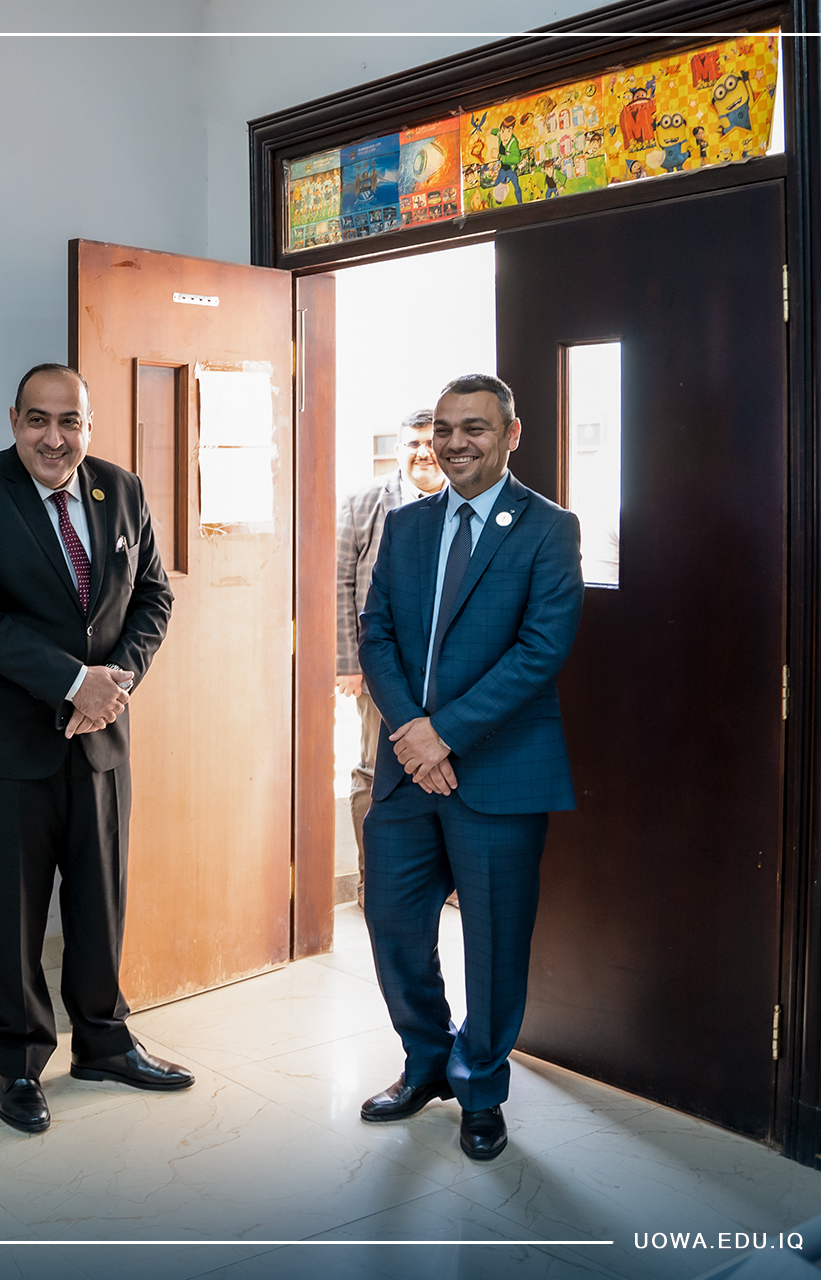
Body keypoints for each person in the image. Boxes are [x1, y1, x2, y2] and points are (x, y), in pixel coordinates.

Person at [0, 362, 189, 1134]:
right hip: (1, 741)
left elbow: (153, 595)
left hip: (99, 737)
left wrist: (115, 684)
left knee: (100, 898)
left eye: (69, 421)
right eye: (38, 420)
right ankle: (18, 1063)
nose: (54, 437)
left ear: (89, 425)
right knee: (10, 910)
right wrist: (74, 682)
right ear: (14, 421)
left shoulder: (121, 489)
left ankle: (104, 1043)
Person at [355, 373, 583, 1162]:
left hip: (500, 773)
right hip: (405, 775)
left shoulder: (548, 528)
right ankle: (426, 1061)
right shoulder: (408, 524)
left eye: (475, 429)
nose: (456, 444)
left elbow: (541, 650)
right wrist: (411, 733)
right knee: (392, 924)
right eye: (445, 429)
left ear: (511, 435)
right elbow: (375, 632)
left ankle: (481, 1087)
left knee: (493, 943)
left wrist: (443, 735)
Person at [335, 409, 446, 909]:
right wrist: (347, 662)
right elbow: (339, 580)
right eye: (413, 443)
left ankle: (442, 881)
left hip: (447, 669)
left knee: (445, 759)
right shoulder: (363, 502)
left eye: (431, 441)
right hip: (380, 666)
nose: (424, 452)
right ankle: (371, 880)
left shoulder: (463, 501)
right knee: (373, 766)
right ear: (399, 450)